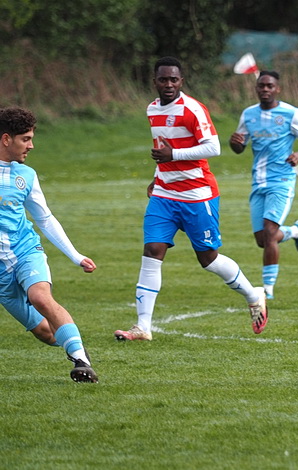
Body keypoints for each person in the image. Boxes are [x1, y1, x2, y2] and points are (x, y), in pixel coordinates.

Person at [115, 56, 267, 340]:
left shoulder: (193, 109)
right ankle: (143, 327)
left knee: (208, 259)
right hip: (164, 193)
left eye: (174, 79)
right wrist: (158, 174)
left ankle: (253, 293)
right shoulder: (152, 110)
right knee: (152, 252)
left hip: (198, 195)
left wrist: (174, 156)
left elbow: (214, 147)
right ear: (155, 82)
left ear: (181, 81)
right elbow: (163, 148)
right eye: (163, 79)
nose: (169, 84)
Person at [0, 107, 98, 382]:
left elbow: (45, 219)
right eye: (25, 139)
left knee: (40, 297)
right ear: (6, 139)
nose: (31, 145)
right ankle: (73, 343)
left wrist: (75, 256)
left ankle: (81, 361)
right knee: (46, 333)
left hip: (25, 250)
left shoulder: (26, 176)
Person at [229, 71, 298, 300]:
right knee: (262, 240)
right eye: (261, 86)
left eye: (270, 86)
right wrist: (234, 143)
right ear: (256, 88)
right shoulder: (248, 115)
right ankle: (295, 231)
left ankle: (267, 290)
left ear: (277, 89)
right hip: (258, 181)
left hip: (282, 180)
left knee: (269, 233)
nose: (265, 89)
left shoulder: (291, 113)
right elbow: (240, 146)